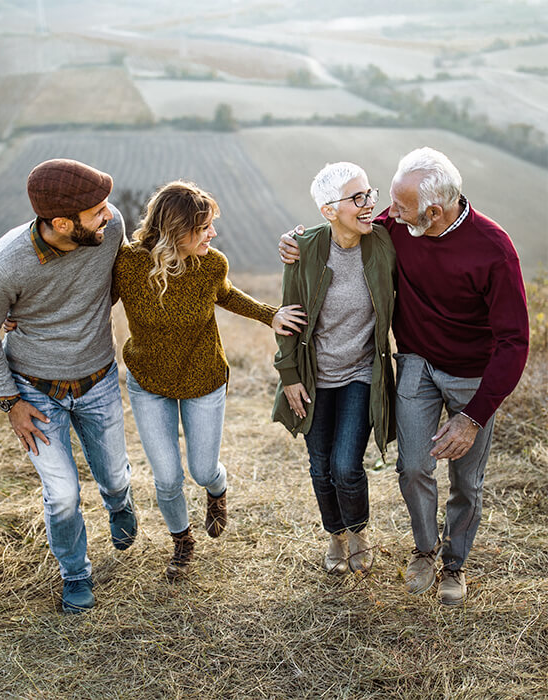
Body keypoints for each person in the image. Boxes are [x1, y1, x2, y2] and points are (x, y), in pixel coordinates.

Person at [279, 147, 529, 605]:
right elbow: (339, 230)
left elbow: (515, 343)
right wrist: (295, 238)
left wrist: (472, 417)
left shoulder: (494, 250)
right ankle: (425, 550)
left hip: (473, 376)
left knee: (467, 481)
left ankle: (455, 563)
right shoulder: (399, 227)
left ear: (433, 211)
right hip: (415, 362)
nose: (387, 213)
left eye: (400, 207)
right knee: (413, 466)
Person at [111, 180, 305, 581]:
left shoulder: (211, 264)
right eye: (204, 228)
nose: (213, 234)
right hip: (148, 381)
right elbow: (92, 300)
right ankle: (182, 542)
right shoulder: (128, 264)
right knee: (166, 478)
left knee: (202, 471)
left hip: (203, 379)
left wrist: (271, 315)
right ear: (175, 230)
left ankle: (217, 493)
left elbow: (228, 295)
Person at [0, 159, 137, 614]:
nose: (108, 215)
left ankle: (119, 503)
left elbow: (119, 280)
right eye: (97, 211)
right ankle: (76, 574)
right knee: (64, 495)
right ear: (60, 223)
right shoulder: (5, 265)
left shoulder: (110, 229)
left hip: (99, 379)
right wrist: (10, 400)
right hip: (33, 391)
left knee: (113, 477)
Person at [272, 162, 396, 576]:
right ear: (328, 210)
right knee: (320, 467)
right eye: (357, 198)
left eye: (369, 194)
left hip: (363, 372)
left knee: (346, 466)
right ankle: (336, 536)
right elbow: (288, 316)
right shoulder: (304, 248)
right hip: (314, 377)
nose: (368, 204)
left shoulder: (383, 242)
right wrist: (289, 375)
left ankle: (358, 531)